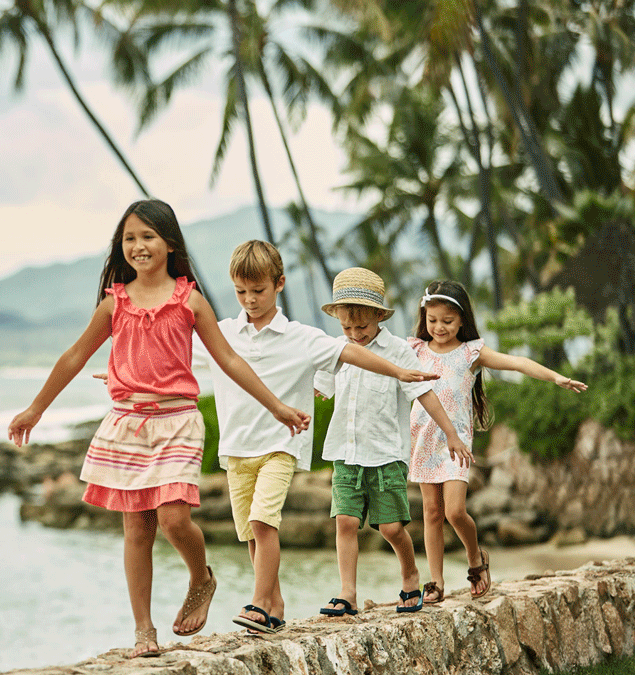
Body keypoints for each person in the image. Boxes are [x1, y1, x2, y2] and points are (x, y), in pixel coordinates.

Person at [7, 201, 310, 658]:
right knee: (137, 531)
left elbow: (228, 360)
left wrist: (276, 407)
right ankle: (143, 631)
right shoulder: (115, 302)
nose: (138, 246)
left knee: (173, 517)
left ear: (170, 243)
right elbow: (74, 356)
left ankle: (200, 576)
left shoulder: (189, 300)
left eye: (147, 236)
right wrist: (36, 409)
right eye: (129, 238)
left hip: (177, 421)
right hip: (127, 424)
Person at [193, 242, 438, 635]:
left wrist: (396, 372)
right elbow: (178, 357)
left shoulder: (301, 337)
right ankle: (274, 604)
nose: (250, 300)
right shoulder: (222, 334)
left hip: (284, 444)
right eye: (241, 292)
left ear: (279, 284)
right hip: (237, 448)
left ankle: (260, 604)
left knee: (265, 522)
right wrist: (132, 377)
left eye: (258, 291)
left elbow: (350, 354)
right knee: (255, 535)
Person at [409, 280, 588, 604]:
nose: (439, 327)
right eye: (432, 320)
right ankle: (435, 582)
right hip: (423, 439)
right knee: (432, 513)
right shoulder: (415, 350)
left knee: (455, 511)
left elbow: (517, 362)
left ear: (462, 320)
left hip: (456, 443)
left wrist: (555, 377)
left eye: (447, 321)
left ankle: (476, 556)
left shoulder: (471, 352)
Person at [313, 268, 469, 618]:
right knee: (346, 522)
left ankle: (411, 574)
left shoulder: (398, 352)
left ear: (379, 316)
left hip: (385, 454)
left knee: (391, 527)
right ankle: (347, 593)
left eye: (362, 328)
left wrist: (452, 434)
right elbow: (317, 387)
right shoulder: (338, 350)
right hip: (346, 452)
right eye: (347, 328)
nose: (354, 335)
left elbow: (425, 393)